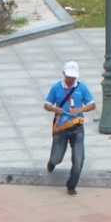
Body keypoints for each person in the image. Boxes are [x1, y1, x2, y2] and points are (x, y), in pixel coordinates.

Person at [44, 60, 95, 196]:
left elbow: (92, 105)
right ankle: (52, 162)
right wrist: (55, 109)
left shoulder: (82, 88)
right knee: (57, 157)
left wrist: (80, 109)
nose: (71, 80)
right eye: (69, 77)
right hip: (61, 127)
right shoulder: (56, 87)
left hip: (77, 127)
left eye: (73, 77)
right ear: (64, 74)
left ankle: (71, 185)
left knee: (78, 159)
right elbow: (47, 104)